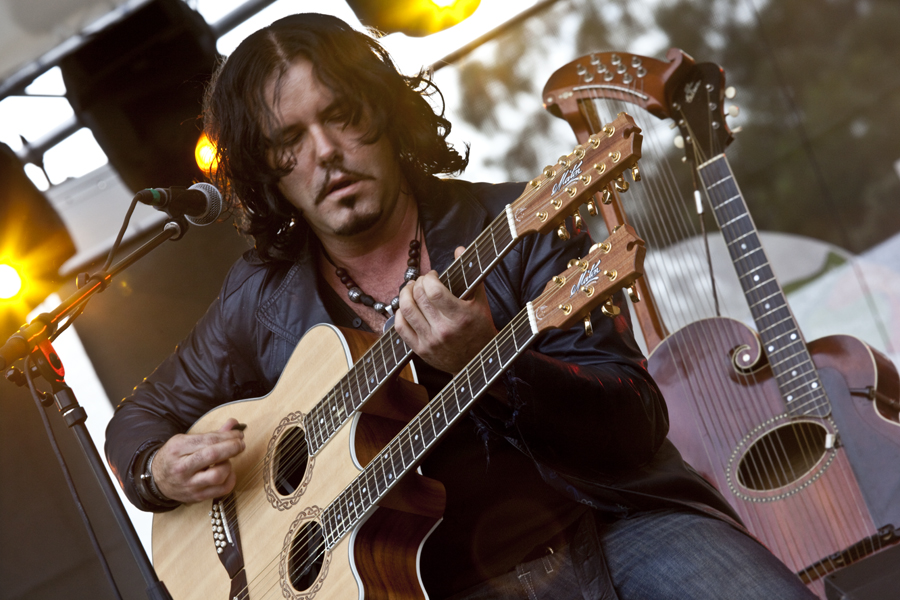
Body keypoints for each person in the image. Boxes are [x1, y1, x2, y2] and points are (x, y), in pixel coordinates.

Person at [105, 13, 815, 600]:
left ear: (384, 115)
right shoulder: (260, 300)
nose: (326, 153)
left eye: (342, 117)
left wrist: (497, 368)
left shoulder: (515, 226)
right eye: (289, 142)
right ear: (266, 172)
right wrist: (155, 469)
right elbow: (137, 422)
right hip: (434, 586)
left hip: (609, 524)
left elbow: (635, 418)